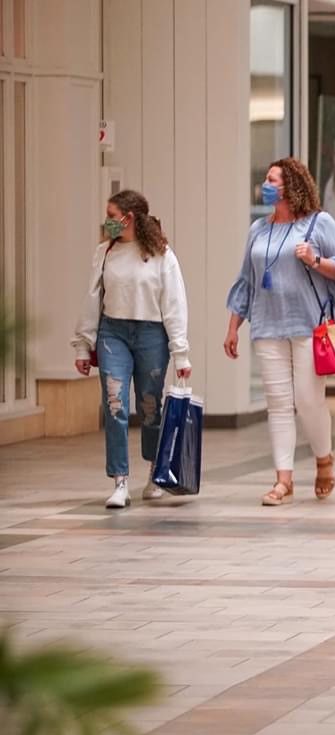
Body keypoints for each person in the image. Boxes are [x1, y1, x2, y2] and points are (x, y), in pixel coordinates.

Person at [225, 157, 335, 506]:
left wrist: (315, 260)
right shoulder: (258, 229)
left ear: (292, 186)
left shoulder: (319, 224)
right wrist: (234, 326)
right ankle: (283, 479)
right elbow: (246, 281)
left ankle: (324, 458)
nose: (266, 185)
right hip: (267, 325)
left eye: (272, 180)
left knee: (307, 400)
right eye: (265, 179)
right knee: (278, 405)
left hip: (308, 326)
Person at [72, 190, 191, 509]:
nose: (107, 221)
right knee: (115, 403)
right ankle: (120, 481)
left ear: (130, 218)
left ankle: (154, 473)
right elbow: (92, 297)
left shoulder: (161, 253)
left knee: (150, 406)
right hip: (113, 332)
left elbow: (174, 304)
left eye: (112, 215)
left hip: (152, 333)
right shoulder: (105, 251)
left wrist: (181, 352)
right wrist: (83, 345)